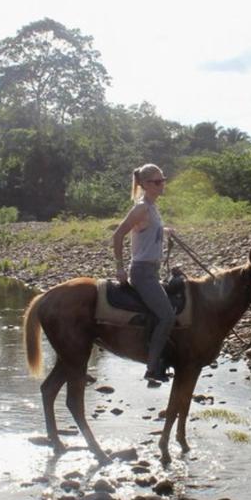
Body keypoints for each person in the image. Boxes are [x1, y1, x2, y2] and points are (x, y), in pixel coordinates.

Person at [112, 164, 176, 384]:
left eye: (163, 179)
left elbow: (147, 230)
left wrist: (165, 231)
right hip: (142, 272)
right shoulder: (141, 208)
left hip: (152, 270)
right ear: (146, 184)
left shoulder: (152, 207)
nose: (162, 184)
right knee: (167, 315)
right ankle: (152, 367)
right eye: (157, 181)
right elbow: (118, 235)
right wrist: (119, 267)